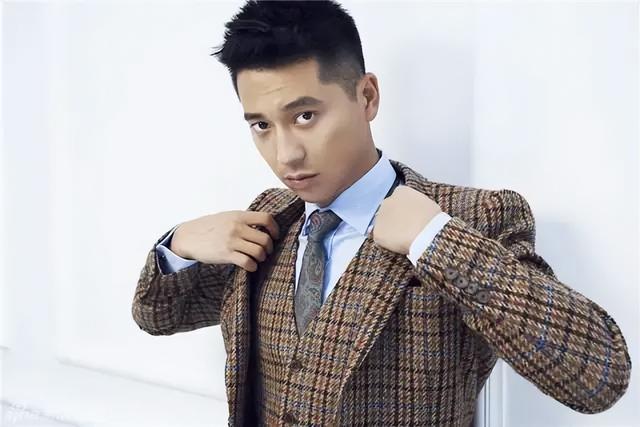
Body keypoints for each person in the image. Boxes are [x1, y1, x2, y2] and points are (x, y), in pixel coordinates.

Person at [131, 1, 632, 425]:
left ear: (366, 96)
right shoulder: (268, 217)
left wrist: (435, 240)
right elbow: (157, 315)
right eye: (261, 125)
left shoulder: (474, 217)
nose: (286, 155)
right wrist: (178, 246)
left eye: (305, 116)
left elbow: (597, 376)